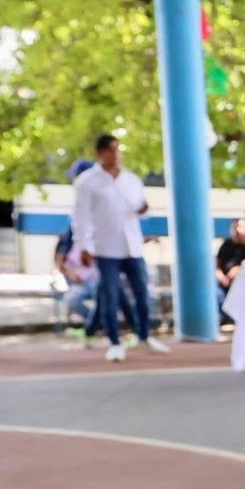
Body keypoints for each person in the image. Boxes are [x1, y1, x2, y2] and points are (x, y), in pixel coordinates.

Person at [72, 134, 169, 363]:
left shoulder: (131, 180)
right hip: (105, 247)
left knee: (142, 294)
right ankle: (114, 342)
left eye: (117, 150)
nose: (115, 155)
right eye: (109, 150)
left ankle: (144, 335)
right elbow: (81, 217)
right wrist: (83, 246)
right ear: (100, 154)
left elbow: (142, 209)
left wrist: (144, 209)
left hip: (132, 245)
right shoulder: (87, 182)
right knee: (111, 296)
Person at [214, 218, 245, 321]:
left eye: (241, 227)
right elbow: (217, 265)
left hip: (241, 281)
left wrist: (235, 271)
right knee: (216, 294)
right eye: (236, 227)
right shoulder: (226, 244)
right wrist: (221, 276)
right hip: (224, 282)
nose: (238, 230)